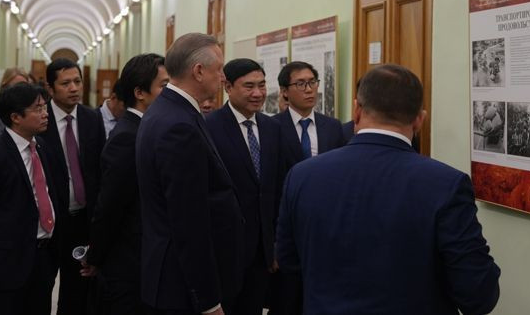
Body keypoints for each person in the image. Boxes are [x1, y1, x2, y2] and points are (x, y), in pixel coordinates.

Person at [275, 65, 501, 315]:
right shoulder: (446, 184)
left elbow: (289, 262)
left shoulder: (303, 176)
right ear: (419, 119)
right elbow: (478, 293)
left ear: (357, 110)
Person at [136, 33, 244, 315]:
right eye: (218, 68)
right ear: (198, 71)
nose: (223, 77)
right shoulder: (178, 125)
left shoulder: (169, 111)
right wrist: (208, 300)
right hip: (182, 287)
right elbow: (188, 221)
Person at [0, 83, 64, 315]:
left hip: (43, 256)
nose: (45, 113)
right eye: (37, 109)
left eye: (45, 107)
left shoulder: (42, 147)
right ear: (16, 117)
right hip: (7, 262)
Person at [81, 53, 169, 314]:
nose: (171, 93)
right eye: (164, 87)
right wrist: (96, 256)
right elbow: (109, 206)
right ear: (140, 92)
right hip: (129, 262)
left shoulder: (147, 129)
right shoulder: (128, 137)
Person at [206, 59, 284, 315]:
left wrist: (273, 243)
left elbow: (274, 189)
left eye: (262, 85)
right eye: (249, 86)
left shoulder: (273, 128)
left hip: (262, 253)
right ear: (227, 86)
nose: (258, 93)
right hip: (224, 250)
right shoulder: (209, 127)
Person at [271, 61, 345, 315]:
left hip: (326, 223)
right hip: (288, 223)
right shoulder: (271, 127)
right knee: (288, 299)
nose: (309, 89)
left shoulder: (332, 127)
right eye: (300, 84)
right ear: (284, 91)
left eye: (312, 82)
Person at [42, 58, 106, 315]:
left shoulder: (92, 118)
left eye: (77, 81)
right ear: (50, 88)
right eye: (65, 83)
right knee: (41, 286)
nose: (73, 88)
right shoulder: (39, 119)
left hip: (83, 218)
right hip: (50, 221)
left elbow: (100, 169)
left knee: (77, 290)